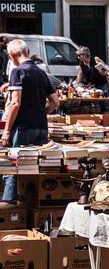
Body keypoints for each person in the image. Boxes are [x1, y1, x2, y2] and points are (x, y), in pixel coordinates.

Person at [1, 39, 59, 203]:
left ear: (12, 55)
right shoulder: (41, 72)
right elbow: (55, 102)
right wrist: (41, 113)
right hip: (41, 126)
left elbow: (15, 103)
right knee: (36, 167)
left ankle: (11, 209)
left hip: (22, 127)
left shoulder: (17, 71)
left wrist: (6, 130)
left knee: (15, 166)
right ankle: (33, 206)